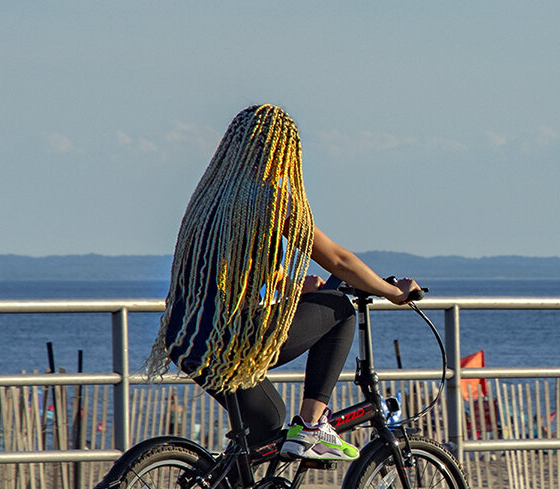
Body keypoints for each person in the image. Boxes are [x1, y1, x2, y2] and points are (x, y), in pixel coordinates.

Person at [146, 104, 420, 464]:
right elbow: (337, 260)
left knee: (267, 424)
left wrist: (292, 288)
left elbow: (238, 267)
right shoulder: (273, 199)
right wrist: (393, 292)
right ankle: (311, 425)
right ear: (283, 152)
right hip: (229, 337)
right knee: (340, 310)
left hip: (187, 337)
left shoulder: (210, 200)